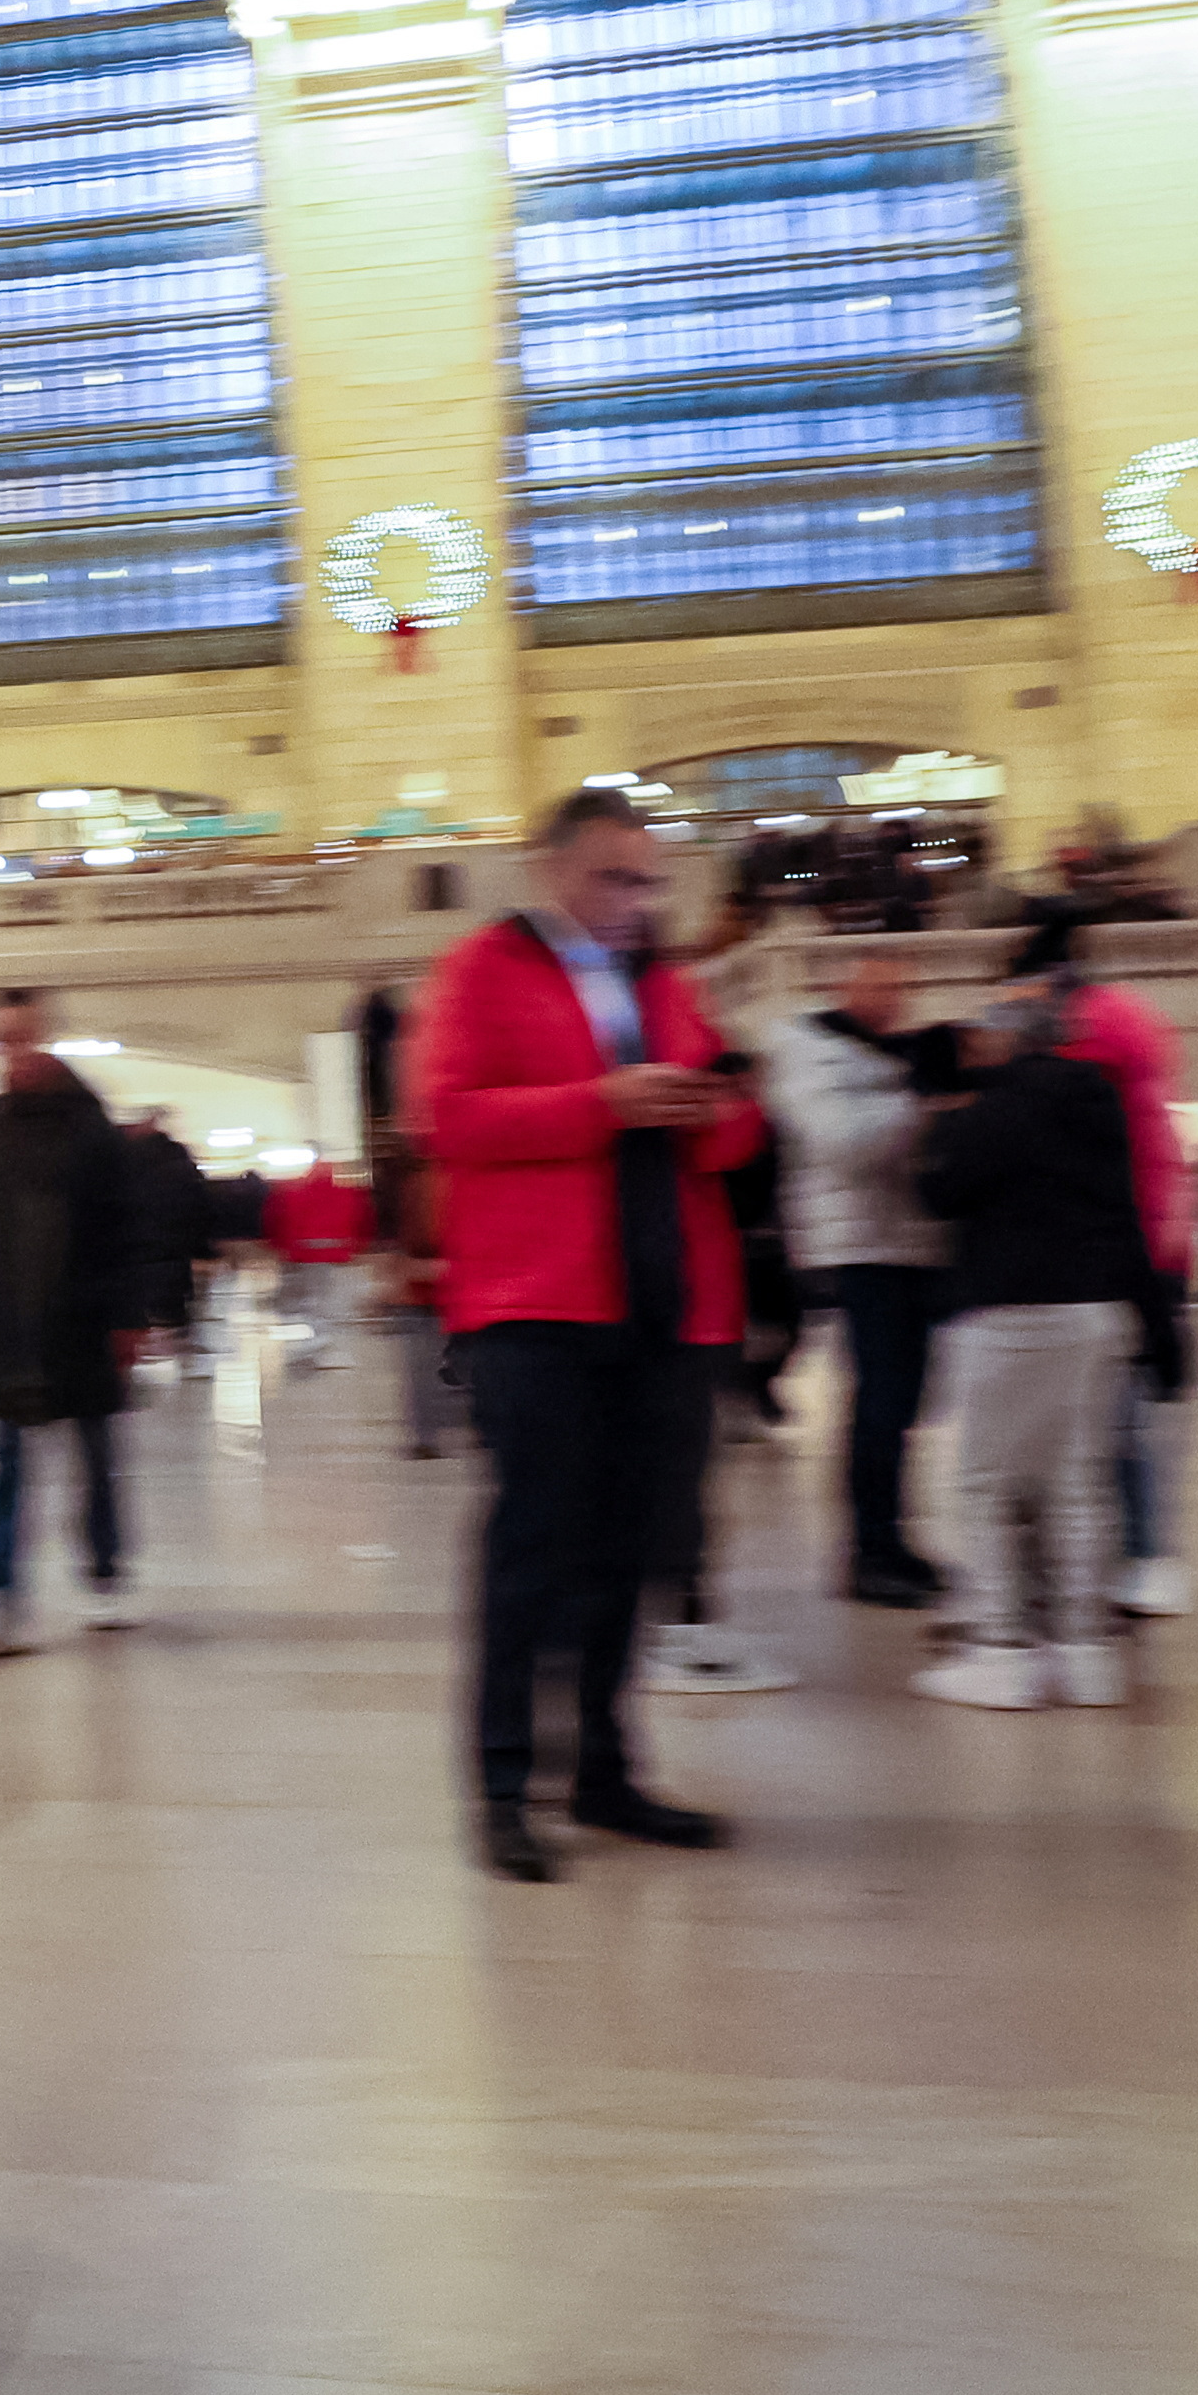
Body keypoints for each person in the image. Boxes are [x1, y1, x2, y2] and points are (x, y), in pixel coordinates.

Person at [418, 788, 756, 1883]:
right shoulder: (483, 971)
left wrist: (715, 1108)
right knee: (530, 1551)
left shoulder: (665, 981)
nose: (636, 899)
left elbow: (736, 1131)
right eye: (616, 877)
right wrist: (600, 1100)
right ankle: (504, 1788)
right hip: (537, 1303)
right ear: (552, 869)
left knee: (632, 1552)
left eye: (649, 880)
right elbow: (451, 1118)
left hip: (661, 1303)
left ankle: (606, 1771)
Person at [907, 992, 1157, 1709]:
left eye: (984, 1034)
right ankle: (1086, 1653)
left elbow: (939, 1195)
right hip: (1096, 1309)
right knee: (1077, 1479)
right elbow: (1122, 1207)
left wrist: (938, 1126)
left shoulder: (995, 1108)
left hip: (1010, 1310)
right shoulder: (1097, 1102)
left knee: (984, 1482)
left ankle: (999, 1649)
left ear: (1008, 1042)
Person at [0, 991, 147, 1655]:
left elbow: (121, 1225)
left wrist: (129, 1315)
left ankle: (105, 1570)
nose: (8, 1055)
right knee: (5, 1462)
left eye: (18, 1039)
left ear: (43, 1036)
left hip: (80, 1321)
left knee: (96, 1458)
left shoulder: (88, 1124)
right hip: (8, 1329)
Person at [1007, 915, 1194, 1620]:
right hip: (1154, 1231)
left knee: (1107, 1416)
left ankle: (1136, 1556)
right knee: (1126, 1411)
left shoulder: (1082, 1031)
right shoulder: (1134, 1018)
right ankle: (1140, 1556)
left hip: (1111, 1240)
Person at [762, 950, 956, 1606]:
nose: (889, 998)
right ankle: (868, 1553)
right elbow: (840, 1144)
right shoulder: (807, 1051)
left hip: (904, 1244)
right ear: (840, 986)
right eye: (875, 985)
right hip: (857, 1247)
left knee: (899, 1407)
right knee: (876, 1404)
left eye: (900, 986)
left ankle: (892, 1542)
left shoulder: (883, 1055)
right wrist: (919, 1102)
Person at [365, 1120, 449, 1457]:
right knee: (426, 1364)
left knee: (424, 1365)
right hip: (425, 1283)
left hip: (433, 1281)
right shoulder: (420, 1181)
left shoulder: (411, 1182)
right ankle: (427, 1435)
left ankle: (427, 1435)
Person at [119, 1105, 216, 1371]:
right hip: (174, 1251)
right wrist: (204, 1250)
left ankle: (142, 1356)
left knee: (138, 1306)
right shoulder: (179, 1161)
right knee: (173, 1306)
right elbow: (199, 1207)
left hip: (131, 1252)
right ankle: (185, 1357)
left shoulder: (118, 1163)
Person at [262, 1151, 370, 1366]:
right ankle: (327, 1344)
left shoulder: (294, 1193)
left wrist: (281, 1247)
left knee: (312, 1298)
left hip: (306, 1252)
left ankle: (317, 1339)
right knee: (333, 1299)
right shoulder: (347, 1194)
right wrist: (359, 1246)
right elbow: (363, 1218)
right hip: (338, 1251)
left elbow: (277, 1219)